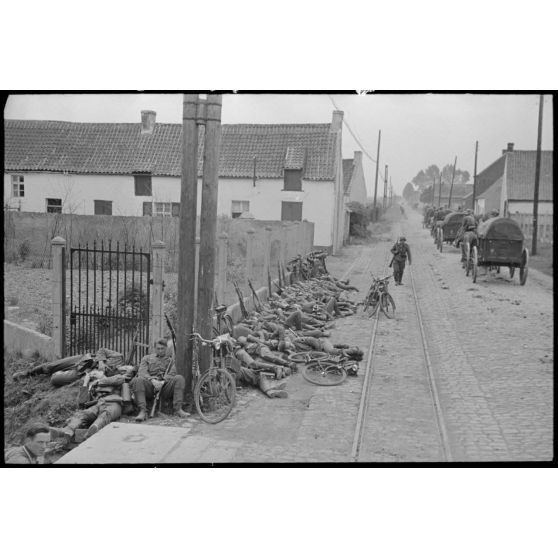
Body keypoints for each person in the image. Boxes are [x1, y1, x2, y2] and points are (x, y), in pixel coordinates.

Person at [131, 338, 189, 422]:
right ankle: (143, 411)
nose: (160, 351)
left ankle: (178, 409)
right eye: (158, 348)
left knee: (179, 378)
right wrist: (152, 380)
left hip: (164, 387)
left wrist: (162, 382)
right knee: (138, 380)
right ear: (155, 349)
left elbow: (172, 373)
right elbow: (142, 372)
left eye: (162, 349)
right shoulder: (146, 358)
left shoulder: (170, 361)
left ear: (166, 349)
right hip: (150, 386)